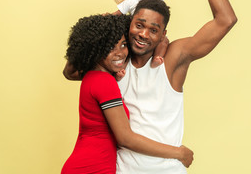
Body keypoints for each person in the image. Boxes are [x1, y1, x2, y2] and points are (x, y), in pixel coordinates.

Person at [115, 0, 237, 173]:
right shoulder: (115, 61)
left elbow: (225, 20)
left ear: (163, 35)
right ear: (128, 23)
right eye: (139, 25)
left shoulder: (172, 58)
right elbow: (72, 70)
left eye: (153, 30)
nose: (144, 34)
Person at [61, 14, 194, 174]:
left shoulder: (91, 76)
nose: (119, 53)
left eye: (123, 45)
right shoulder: (105, 82)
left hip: (87, 164)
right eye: (110, 47)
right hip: (93, 167)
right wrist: (179, 153)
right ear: (94, 48)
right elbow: (125, 138)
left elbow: (70, 70)